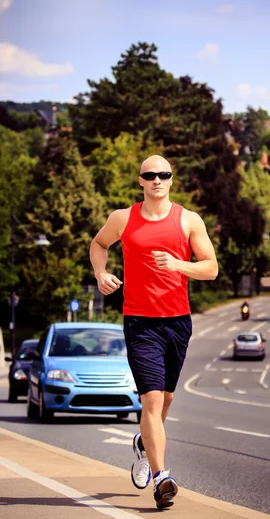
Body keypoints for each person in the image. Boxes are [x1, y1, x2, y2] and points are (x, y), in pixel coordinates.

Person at [89, 154, 218, 509]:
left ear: (171, 180)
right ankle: (162, 477)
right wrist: (101, 273)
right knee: (152, 399)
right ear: (141, 181)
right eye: (151, 175)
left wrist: (177, 264)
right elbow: (98, 245)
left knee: (167, 400)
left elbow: (211, 269)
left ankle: (144, 444)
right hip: (140, 321)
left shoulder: (189, 221)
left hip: (177, 321)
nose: (157, 180)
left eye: (164, 174)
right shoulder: (123, 218)